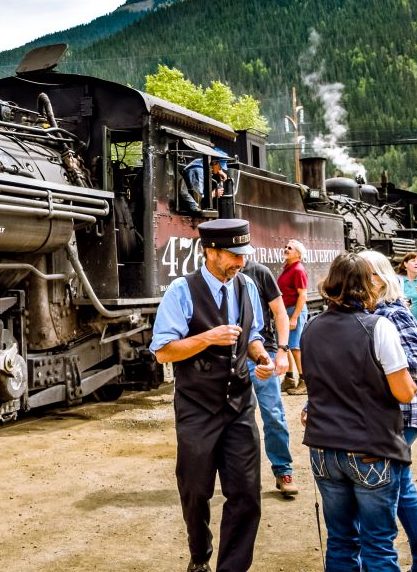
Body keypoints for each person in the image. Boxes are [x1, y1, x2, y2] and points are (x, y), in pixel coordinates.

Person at [150, 219, 276, 572]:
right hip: (197, 407)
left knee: (247, 494)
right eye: (234, 256)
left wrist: (261, 357)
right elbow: (163, 352)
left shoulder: (248, 286)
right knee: (195, 491)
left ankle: (231, 567)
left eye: (243, 255)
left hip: (239, 405)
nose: (241, 262)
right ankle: (199, 555)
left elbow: (252, 338)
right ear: (211, 252)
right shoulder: (181, 291)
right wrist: (208, 337)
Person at [301, 253, 417, 572]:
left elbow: (315, 386)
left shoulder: (310, 328)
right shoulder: (378, 327)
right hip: (369, 448)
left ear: (330, 285)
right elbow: (404, 391)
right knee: (378, 544)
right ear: (368, 287)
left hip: (323, 448)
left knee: (340, 541)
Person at [361, 250, 417, 572]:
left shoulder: (393, 313)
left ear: (380, 280)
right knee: (402, 482)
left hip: (405, 411)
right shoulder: (370, 311)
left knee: (389, 484)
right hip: (392, 411)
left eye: (365, 276)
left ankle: (414, 560)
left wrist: (380, 368)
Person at [239, 259, 296, 498]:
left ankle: (283, 471)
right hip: (232, 357)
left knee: (273, 413)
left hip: (265, 353)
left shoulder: (259, 272)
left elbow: (280, 313)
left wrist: (282, 351)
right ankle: (243, 477)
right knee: (237, 419)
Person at [278, 239, 309, 392]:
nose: (286, 249)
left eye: (289, 248)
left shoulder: (298, 270)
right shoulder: (288, 268)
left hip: (294, 310)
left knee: (295, 347)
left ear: (298, 254)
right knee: (287, 346)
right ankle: (289, 378)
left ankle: (304, 382)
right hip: (286, 310)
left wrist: (294, 317)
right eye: (285, 247)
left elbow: (303, 295)